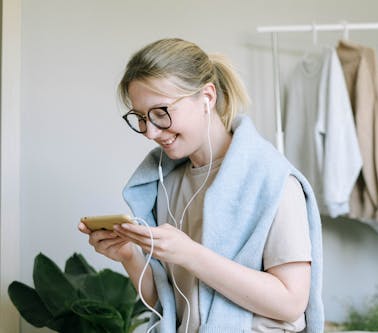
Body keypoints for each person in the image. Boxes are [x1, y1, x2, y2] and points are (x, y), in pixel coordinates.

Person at [78, 38, 324, 333]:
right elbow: (172, 307)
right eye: (141, 118)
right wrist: (129, 255)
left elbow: (291, 302)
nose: (150, 132)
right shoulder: (166, 184)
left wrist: (190, 254)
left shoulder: (275, 181)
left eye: (160, 112)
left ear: (207, 97)